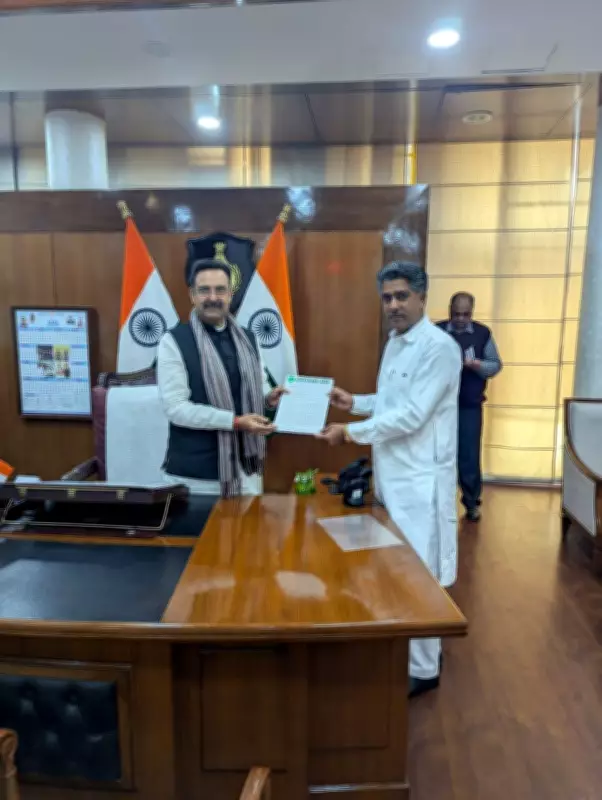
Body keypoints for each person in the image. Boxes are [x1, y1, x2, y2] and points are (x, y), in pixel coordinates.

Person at [316, 261, 461, 698]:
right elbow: (392, 401)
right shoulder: (396, 342)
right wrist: (355, 403)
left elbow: (413, 416)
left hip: (420, 480)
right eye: (387, 298)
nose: (393, 305)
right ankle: (418, 649)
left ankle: (424, 669)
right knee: (397, 569)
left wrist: (349, 433)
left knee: (419, 573)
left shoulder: (439, 348)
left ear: (422, 297)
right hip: (392, 475)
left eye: (401, 296)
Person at [157, 258, 286, 497]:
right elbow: (176, 408)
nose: (213, 297)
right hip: (195, 477)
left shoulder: (249, 339)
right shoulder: (174, 341)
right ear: (192, 295)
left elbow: (258, 389)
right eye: (204, 290)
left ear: (230, 295)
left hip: (246, 469)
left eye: (220, 290)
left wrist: (269, 399)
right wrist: (234, 422)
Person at [437, 293, 502, 522]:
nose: (460, 319)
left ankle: (472, 502)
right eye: (456, 314)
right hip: (438, 407)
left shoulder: (483, 333)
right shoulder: (436, 332)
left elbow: (495, 366)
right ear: (449, 310)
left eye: (465, 315)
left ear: (472, 313)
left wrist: (476, 364)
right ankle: (438, 503)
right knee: (438, 454)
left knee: (469, 457)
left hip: (469, 406)